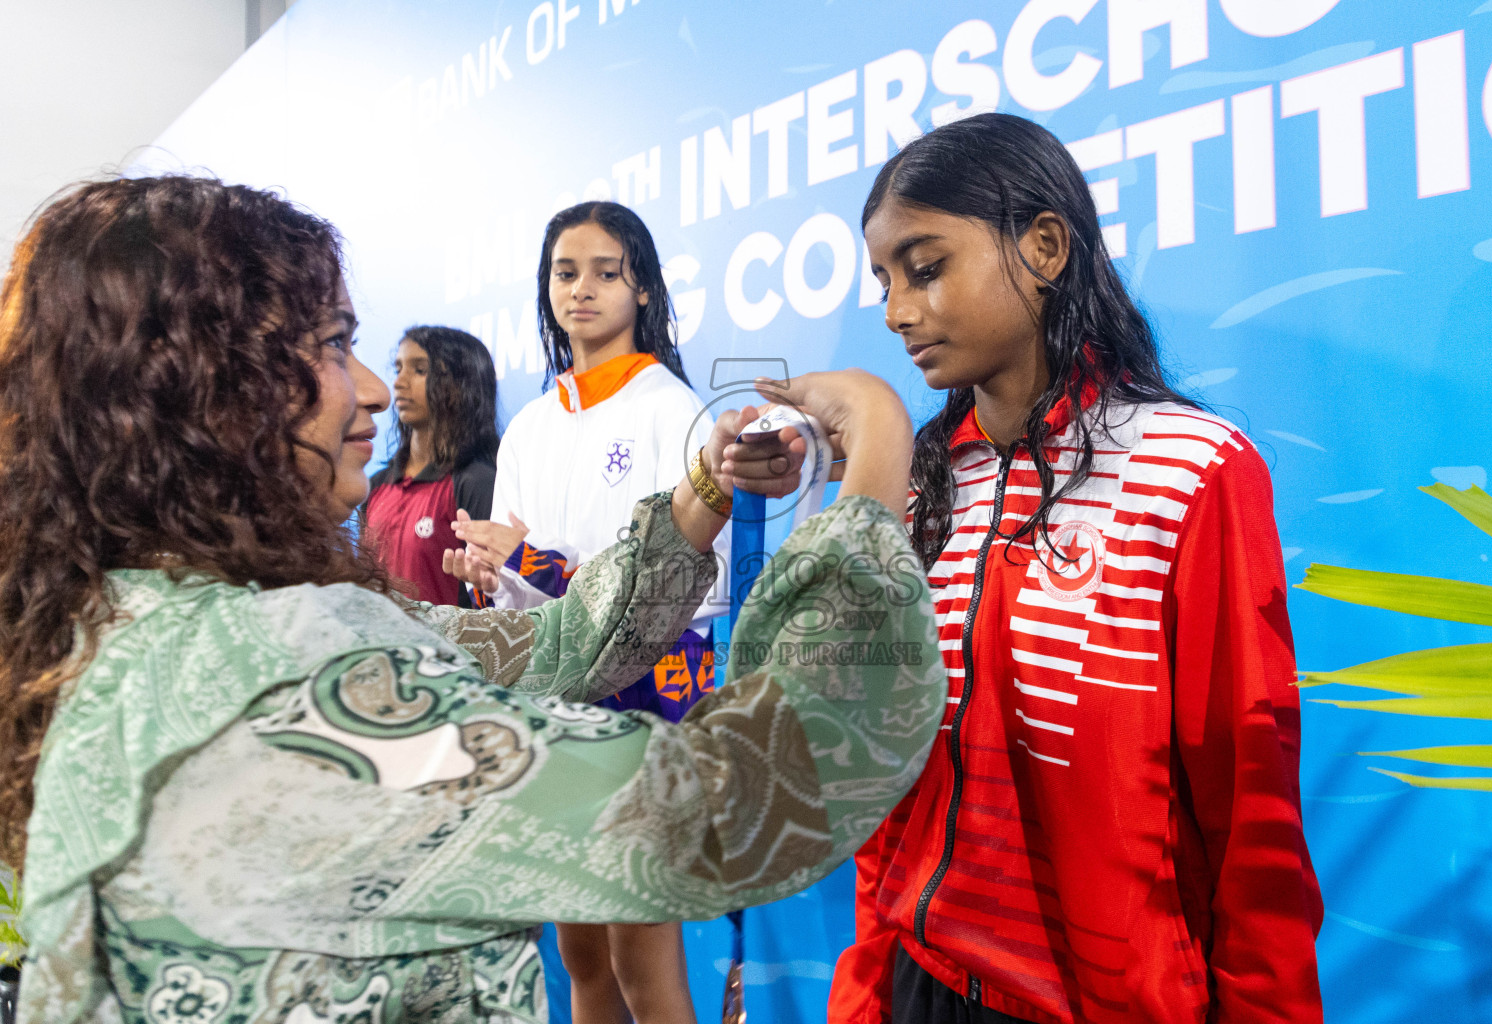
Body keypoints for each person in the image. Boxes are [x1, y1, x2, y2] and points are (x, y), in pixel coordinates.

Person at [0, 175, 943, 1024]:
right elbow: (738, 798)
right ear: (204, 392)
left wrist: (700, 487)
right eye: (333, 346)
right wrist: (874, 451)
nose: (373, 391)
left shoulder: (142, 619)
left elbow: (550, 649)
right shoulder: (281, 693)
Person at [827, 113, 1324, 1024]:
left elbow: (1249, 810)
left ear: (1046, 246)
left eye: (926, 268)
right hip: (920, 985)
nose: (897, 311)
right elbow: (884, 781)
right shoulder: (920, 491)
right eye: (885, 281)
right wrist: (864, 993)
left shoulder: (1187, 470)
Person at [447, 201, 726, 1024]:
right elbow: (520, 583)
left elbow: (681, 581)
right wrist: (487, 570)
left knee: (643, 948)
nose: (583, 290)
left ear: (642, 289)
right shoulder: (531, 425)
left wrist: (532, 561)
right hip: (552, 690)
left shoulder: (674, 411)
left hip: (647, 691)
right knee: (578, 951)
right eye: (565, 273)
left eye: (607, 272)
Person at [361, 325, 499, 606]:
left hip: (451, 649)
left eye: (419, 370)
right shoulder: (375, 485)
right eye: (398, 368)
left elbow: (494, 599)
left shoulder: (476, 481)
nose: (399, 382)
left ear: (460, 386)